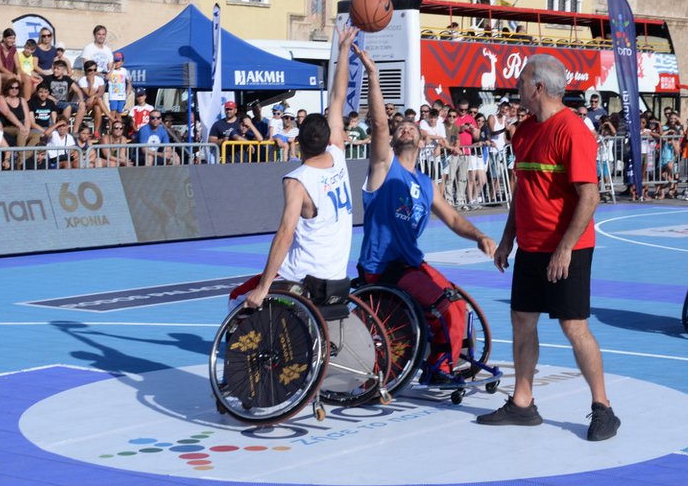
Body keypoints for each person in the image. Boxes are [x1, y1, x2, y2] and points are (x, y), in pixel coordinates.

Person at [478, 55, 619, 442]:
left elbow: (589, 196)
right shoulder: (524, 131)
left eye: (522, 81)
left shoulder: (572, 131)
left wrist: (565, 247)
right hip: (531, 246)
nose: (517, 87)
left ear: (538, 87)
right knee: (522, 321)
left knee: (574, 326)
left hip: (568, 247)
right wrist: (508, 238)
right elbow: (523, 191)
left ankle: (603, 407)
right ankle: (522, 403)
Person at [356, 44, 496, 384]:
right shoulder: (384, 167)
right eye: (400, 128)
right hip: (382, 267)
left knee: (457, 303)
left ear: (422, 142)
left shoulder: (425, 183)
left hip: (409, 264)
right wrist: (373, 76)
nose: (405, 129)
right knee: (444, 303)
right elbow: (379, 124)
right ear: (393, 141)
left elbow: (454, 219)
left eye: (412, 128)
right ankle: (437, 368)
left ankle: (444, 360)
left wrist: (479, 235)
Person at [231, 26, 359, 310]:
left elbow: (286, 233)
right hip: (337, 271)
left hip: (304, 274)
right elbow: (338, 98)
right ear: (328, 139)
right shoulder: (338, 155)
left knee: (237, 299)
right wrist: (344, 52)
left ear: (298, 141)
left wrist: (263, 287)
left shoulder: (298, 179)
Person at [44, 60, 87, 135]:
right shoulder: (48, 79)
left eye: (58, 69)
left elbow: (77, 90)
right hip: (53, 103)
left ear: (63, 70)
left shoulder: (67, 79)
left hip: (64, 102)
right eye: (54, 68)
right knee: (68, 106)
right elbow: (44, 93)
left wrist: (81, 100)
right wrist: (53, 99)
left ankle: (75, 131)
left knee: (82, 105)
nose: (55, 70)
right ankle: (64, 132)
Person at [77, 60, 109, 136]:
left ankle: (96, 132)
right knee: (98, 99)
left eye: (95, 70)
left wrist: (93, 96)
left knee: (97, 107)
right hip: (85, 105)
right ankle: (110, 116)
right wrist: (91, 83)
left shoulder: (99, 79)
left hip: (95, 104)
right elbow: (89, 94)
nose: (93, 72)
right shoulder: (82, 80)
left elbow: (101, 92)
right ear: (85, 71)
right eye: (90, 70)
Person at [106, 51, 131, 127]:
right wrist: (112, 68)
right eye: (115, 61)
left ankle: (119, 129)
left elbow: (129, 82)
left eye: (118, 61)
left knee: (119, 114)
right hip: (113, 96)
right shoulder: (110, 71)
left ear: (122, 62)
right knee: (112, 113)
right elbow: (107, 78)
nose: (116, 63)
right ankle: (111, 130)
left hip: (121, 96)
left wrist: (127, 93)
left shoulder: (124, 71)